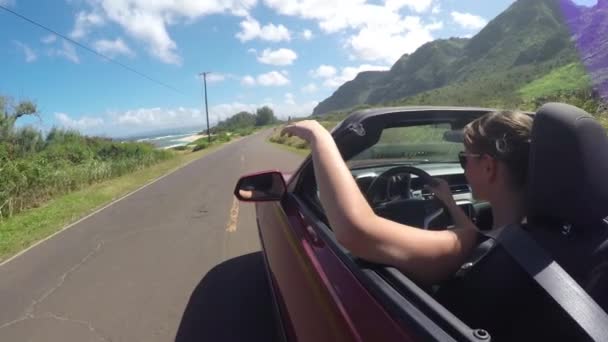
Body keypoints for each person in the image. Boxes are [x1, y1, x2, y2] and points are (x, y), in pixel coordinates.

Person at [281, 111, 533, 285]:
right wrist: (449, 202)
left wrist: (319, 136)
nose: (463, 167)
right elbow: (476, 235)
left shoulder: (470, 245)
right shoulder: (541, 233)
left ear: (489, 167)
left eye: (464, 159)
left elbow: (355, 231)